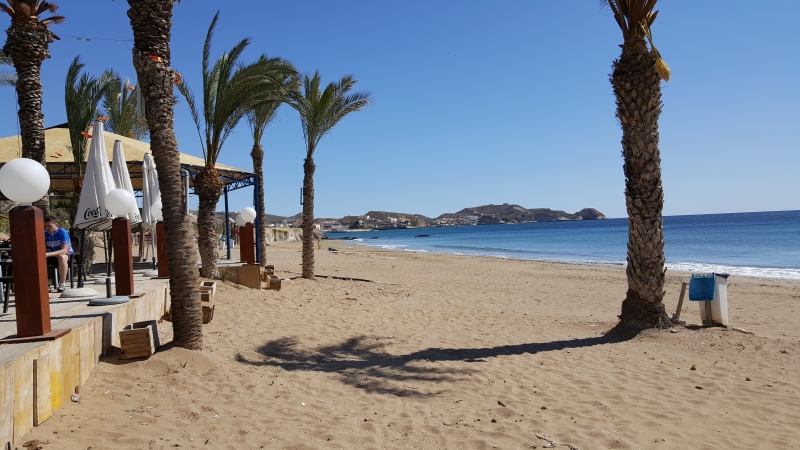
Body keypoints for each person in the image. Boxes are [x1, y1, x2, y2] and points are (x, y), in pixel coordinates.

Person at [44, 216, 73, 293]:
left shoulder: (62, 232)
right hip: (51, 255)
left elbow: (64, 250)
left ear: (56, 224)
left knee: (61, 257)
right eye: (45, 226)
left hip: (65, 255)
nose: (47, 228)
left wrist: (48, 254)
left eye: (49, 226)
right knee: (40, 259)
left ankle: (62, 283)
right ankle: (46, 284)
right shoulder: (44, 233)